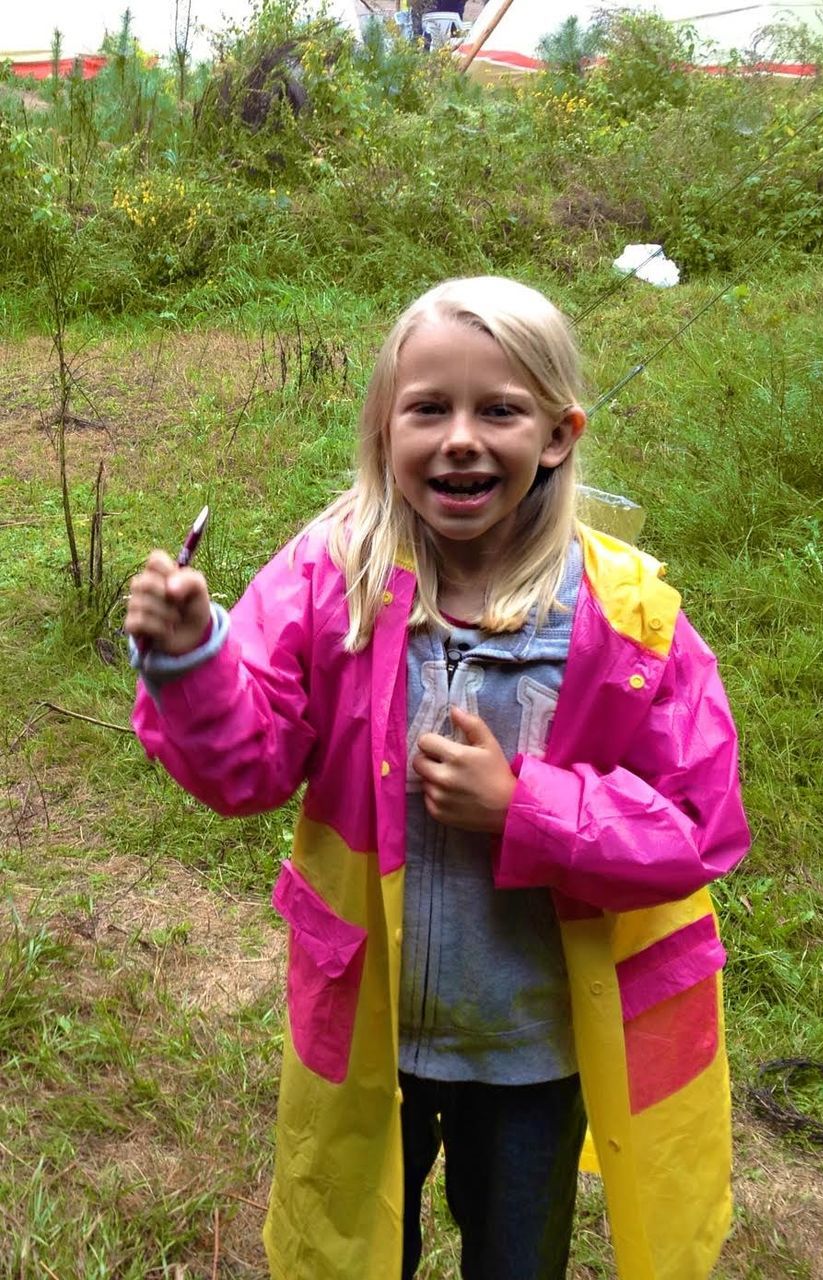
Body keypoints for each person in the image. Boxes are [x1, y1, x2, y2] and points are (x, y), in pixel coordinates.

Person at [125, 276, 750, 1280]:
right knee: (351, 1243)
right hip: (368, 1021)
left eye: (498, 409)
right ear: (383, 429)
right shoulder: (331, 579)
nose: (460, 437)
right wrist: (195, 659)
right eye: (428, 408)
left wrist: (525, 807)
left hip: (532, 1044)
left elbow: (697, 824)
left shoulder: (624, 617)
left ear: (556, 432)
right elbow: (249, 765)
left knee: (516, 1256)